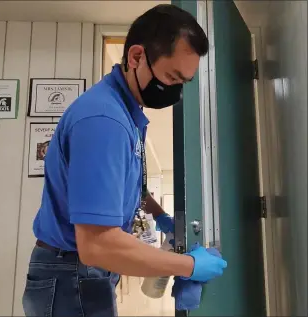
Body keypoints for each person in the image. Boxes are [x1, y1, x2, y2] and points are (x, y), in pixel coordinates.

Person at [22, 4, 227, 317]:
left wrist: (159, 216)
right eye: (172, 76)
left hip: (80, 272)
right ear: (136, 57)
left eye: (183, 82)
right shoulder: (105, 121)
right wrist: (189, 266)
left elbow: (120, 189)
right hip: (71, 274)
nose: (174, 91)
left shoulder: (126, 115)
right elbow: (98, 245)